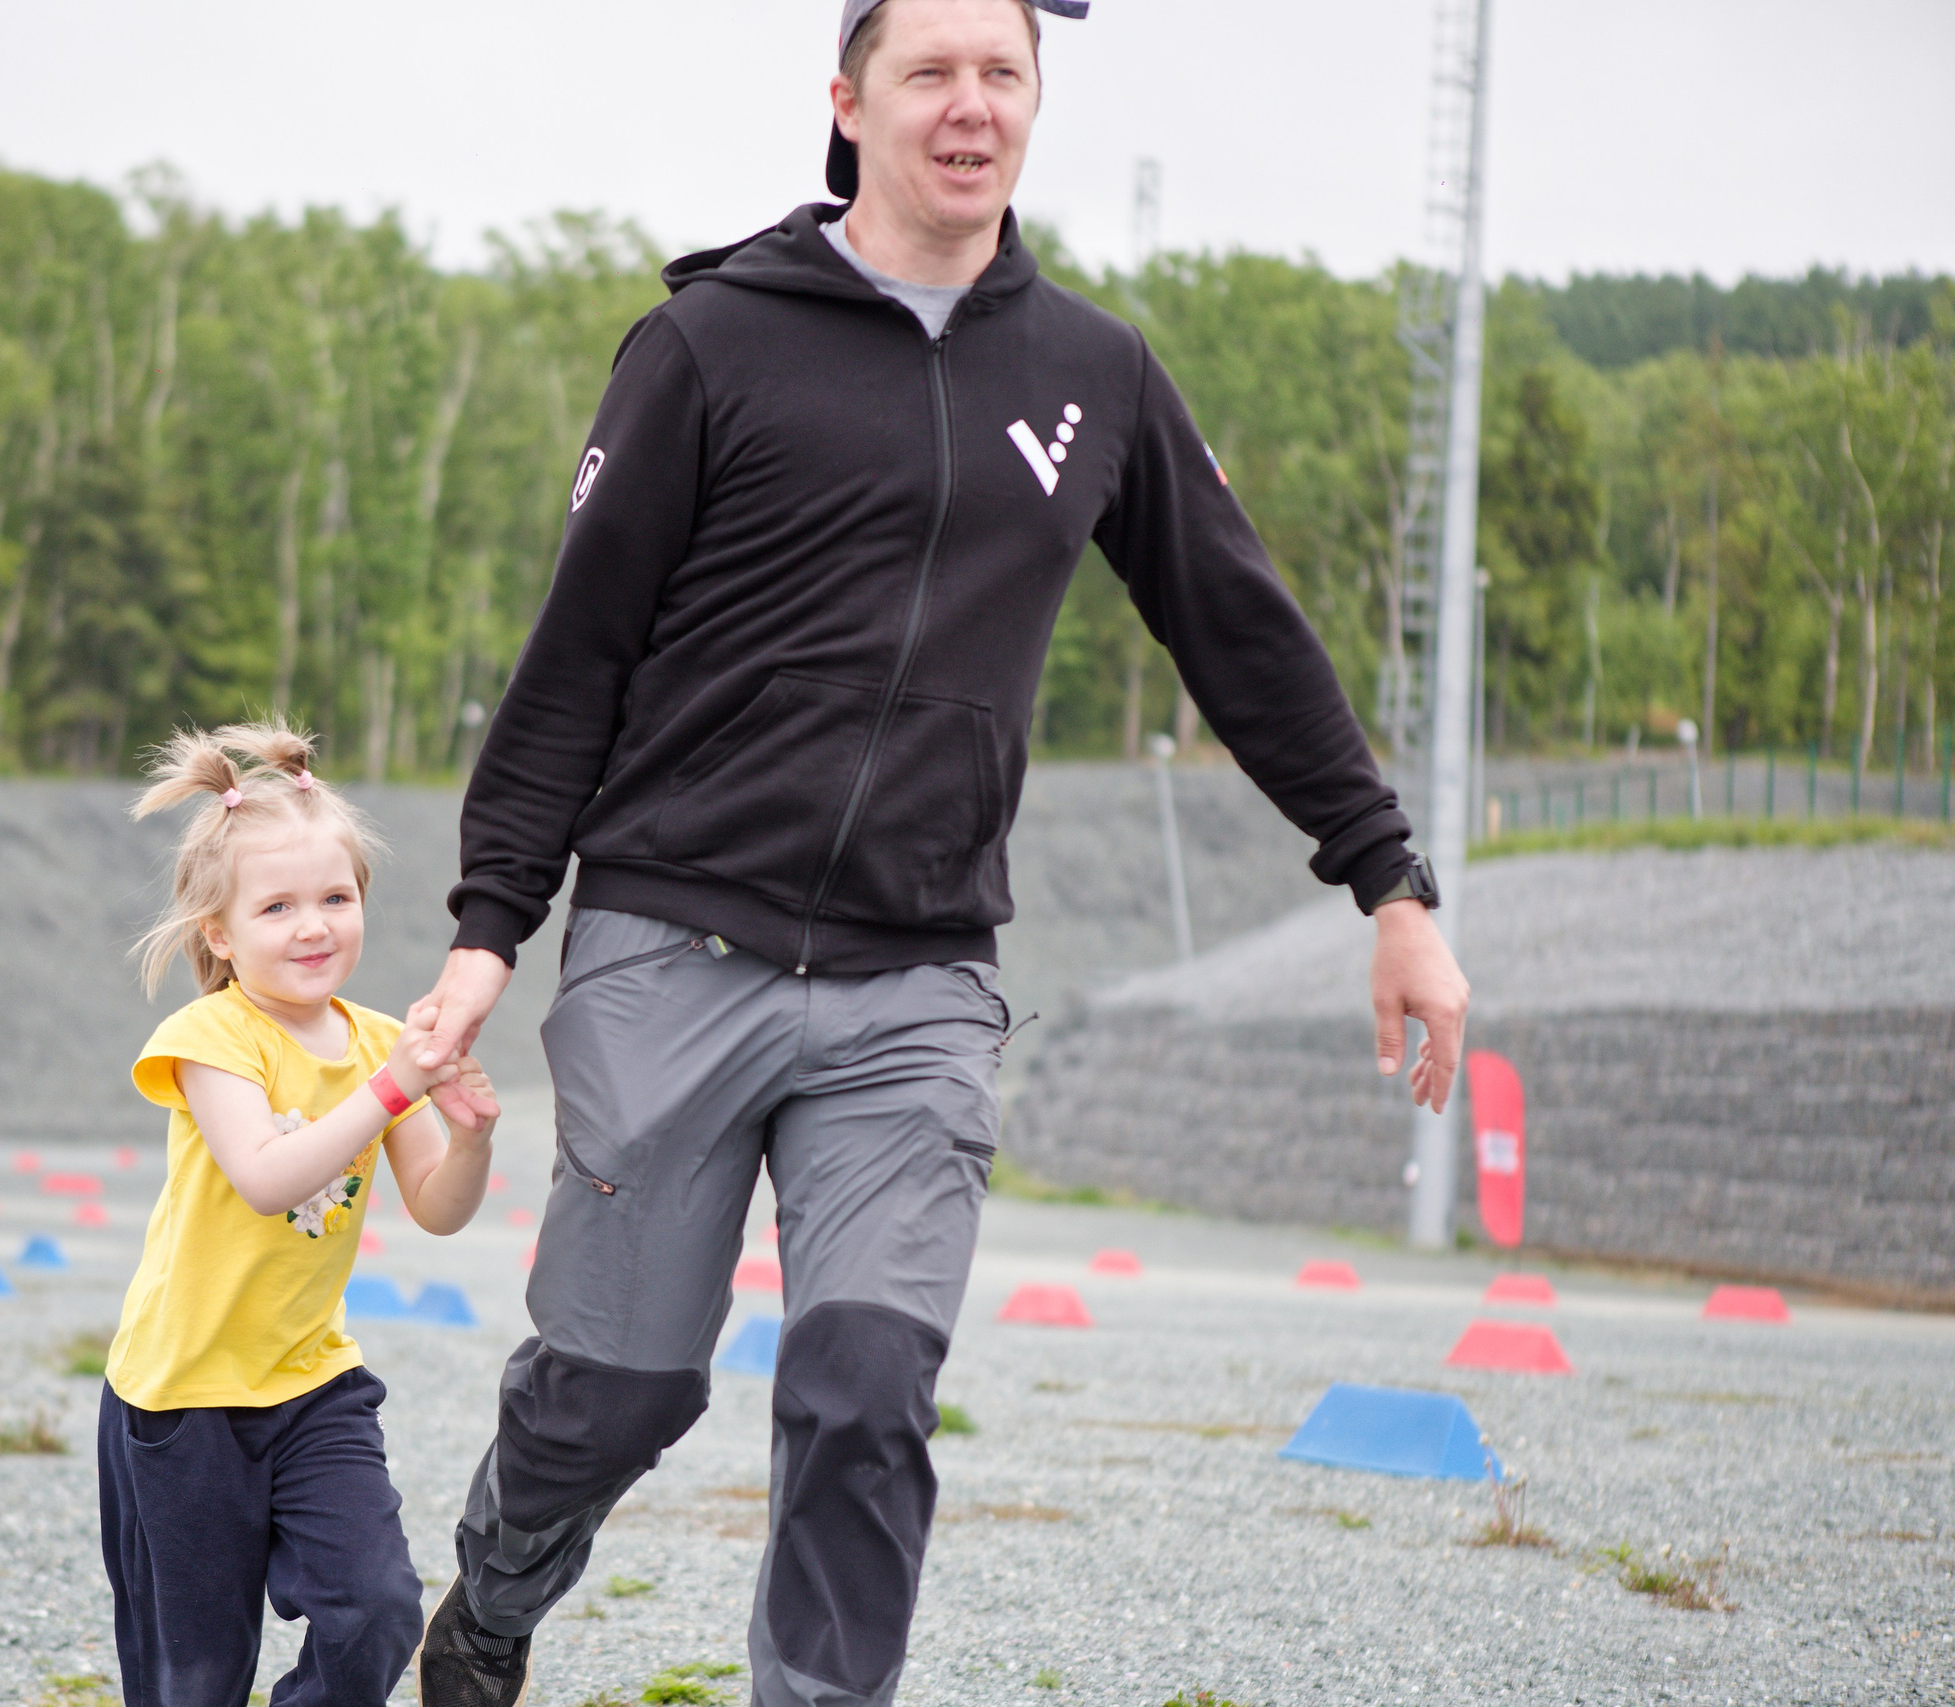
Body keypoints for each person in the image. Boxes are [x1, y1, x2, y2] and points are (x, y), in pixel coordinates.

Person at [413, 1, 1470, 1703]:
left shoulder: (1094, 371)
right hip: (671, 947)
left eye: (1004, 73)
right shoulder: (708, 345)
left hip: (916, 983)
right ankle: (493, 1597)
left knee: (867, 1389)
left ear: (1036, 99)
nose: (970, 105)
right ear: (848, 102)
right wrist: (489, 930)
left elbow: (1243, 633)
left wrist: (1389, 881)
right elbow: (574, 660)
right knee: (618, 1387)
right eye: (930, 72)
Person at [99, 721, 502, 1707]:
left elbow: (437, 1208)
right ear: (220, 934)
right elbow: (265, 1177)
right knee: (194, 1675)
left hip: (313, 1386)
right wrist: (392, 1087)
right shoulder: (209, 1037)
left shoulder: (374, 1041)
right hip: (182, 1399)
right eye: (277, 907)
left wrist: (472, 1140)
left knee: (377, 1608)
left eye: (335, 898)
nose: (313, 925)